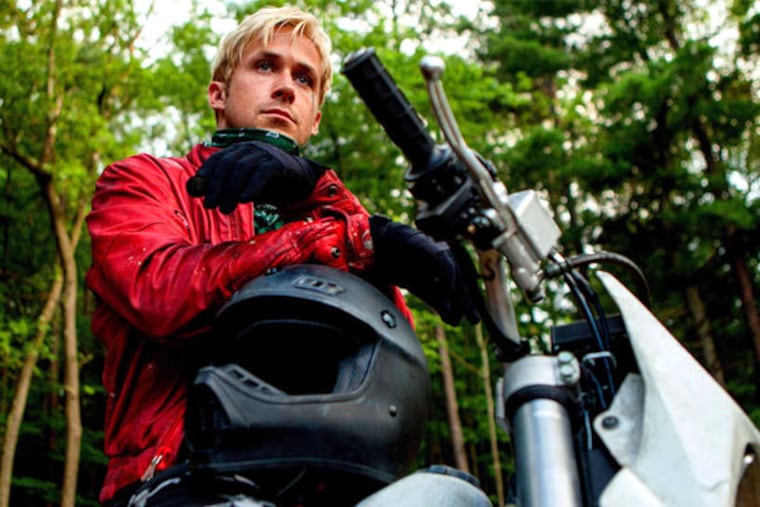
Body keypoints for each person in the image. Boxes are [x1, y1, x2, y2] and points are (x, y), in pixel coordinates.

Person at [86, 5, 486, 506]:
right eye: (265, 66)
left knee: (456, 497)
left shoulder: (339, 220)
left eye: (304, 78)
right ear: (218, 94)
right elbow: (159, 292)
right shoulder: (144, 181)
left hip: (327, 482)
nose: (285, 88)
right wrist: (349, 240)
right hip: (177, 477)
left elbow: (384, 363)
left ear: (314, 118)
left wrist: (319, 196)